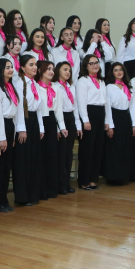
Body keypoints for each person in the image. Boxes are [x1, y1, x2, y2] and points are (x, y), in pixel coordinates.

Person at [0, 58, 21, 213]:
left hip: (9, 127)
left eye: (12, 67)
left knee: (6, 166)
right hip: (1, 127)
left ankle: (3, 200)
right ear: (0, 70)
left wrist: (13, 135)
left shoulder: (10, 87)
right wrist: (2, 137)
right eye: (7, 67)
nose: (11, 69)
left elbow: (14, 113)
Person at [12, 54, 44, 206]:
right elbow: (19, 107)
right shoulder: (19, 83)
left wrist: (41, 127)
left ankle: (33, 194)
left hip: (34, 122)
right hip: (23, 121)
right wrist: (21, 129)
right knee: (23, 160)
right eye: (31, 65)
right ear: (23, 67)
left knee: (34, 158)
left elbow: (38, 108)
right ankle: (22, 196)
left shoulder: (35, 84)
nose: (34, 68)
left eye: (35, 65)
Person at [34, 60, 65, 199]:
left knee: (52, 156)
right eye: (48, 69)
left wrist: (61, 127)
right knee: (41, 156)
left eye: (53, 69)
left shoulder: (56, 88)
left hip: (51, 121)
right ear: (40, 70)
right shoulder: (35, 87)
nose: (52, 72)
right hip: (40, 120)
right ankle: (41, 190)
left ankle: (52, 188)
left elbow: (58, 110)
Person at [75, 54, 107, 191]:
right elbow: (81, 102)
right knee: (87, 149)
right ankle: (84, 180)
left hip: (100, 113)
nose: (95, 65)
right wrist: (85, 120)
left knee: (98, 149)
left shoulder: (102, 81)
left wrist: (107, 121)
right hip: (89, 113)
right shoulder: (83, 81)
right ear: (86, 66)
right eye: (91, 63)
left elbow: (106, 103)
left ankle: (93, 178)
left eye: (96, 62)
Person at [103, 63, 135, 186]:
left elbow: (133, 106)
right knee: (114, 148)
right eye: (116, 70)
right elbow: (107, 107)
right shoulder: (109, 87)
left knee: (125, 147)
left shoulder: (128, 87)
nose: (118, 72)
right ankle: (113, 176)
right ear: (112, 73)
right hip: (115, 117)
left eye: (120, 70)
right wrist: (110, 125)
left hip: (126, 118)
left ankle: (124, 176)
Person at [53, 61, 80, 196]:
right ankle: (60, 184)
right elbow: (57, 108)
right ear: (58, 71)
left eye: (69, 70)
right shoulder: (56, 87)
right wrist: (59, 127)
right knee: (61, 153)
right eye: (65, 70)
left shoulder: (71, 87)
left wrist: (77, 125)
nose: (68, 72)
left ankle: (67, 182)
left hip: (70, 119)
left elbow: (75, 107)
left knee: (68, 153)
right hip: (60, 119)